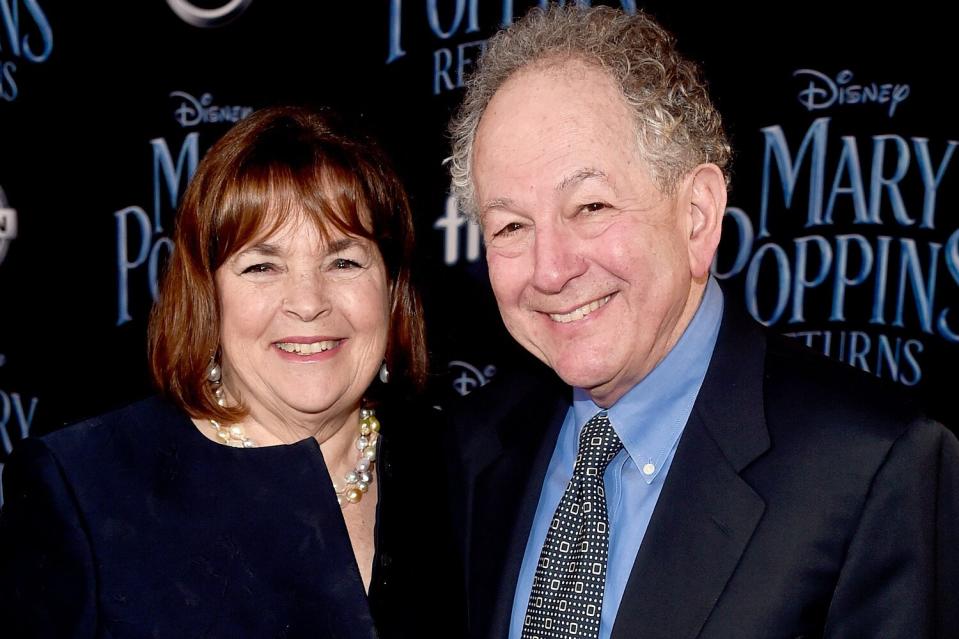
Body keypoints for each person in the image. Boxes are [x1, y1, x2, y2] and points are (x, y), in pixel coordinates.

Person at [445, 6, 959, 639]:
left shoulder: (874, 468)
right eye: (512, 227)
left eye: (591, 206)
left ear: (697, 214)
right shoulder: (471, 448)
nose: (550, 270)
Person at [0, 106, 462, 638]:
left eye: (344, 262)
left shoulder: (460, 470)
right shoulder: (85, 487)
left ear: (391, 289)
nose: (308, 303)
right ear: (208, 296)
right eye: (262, 266)